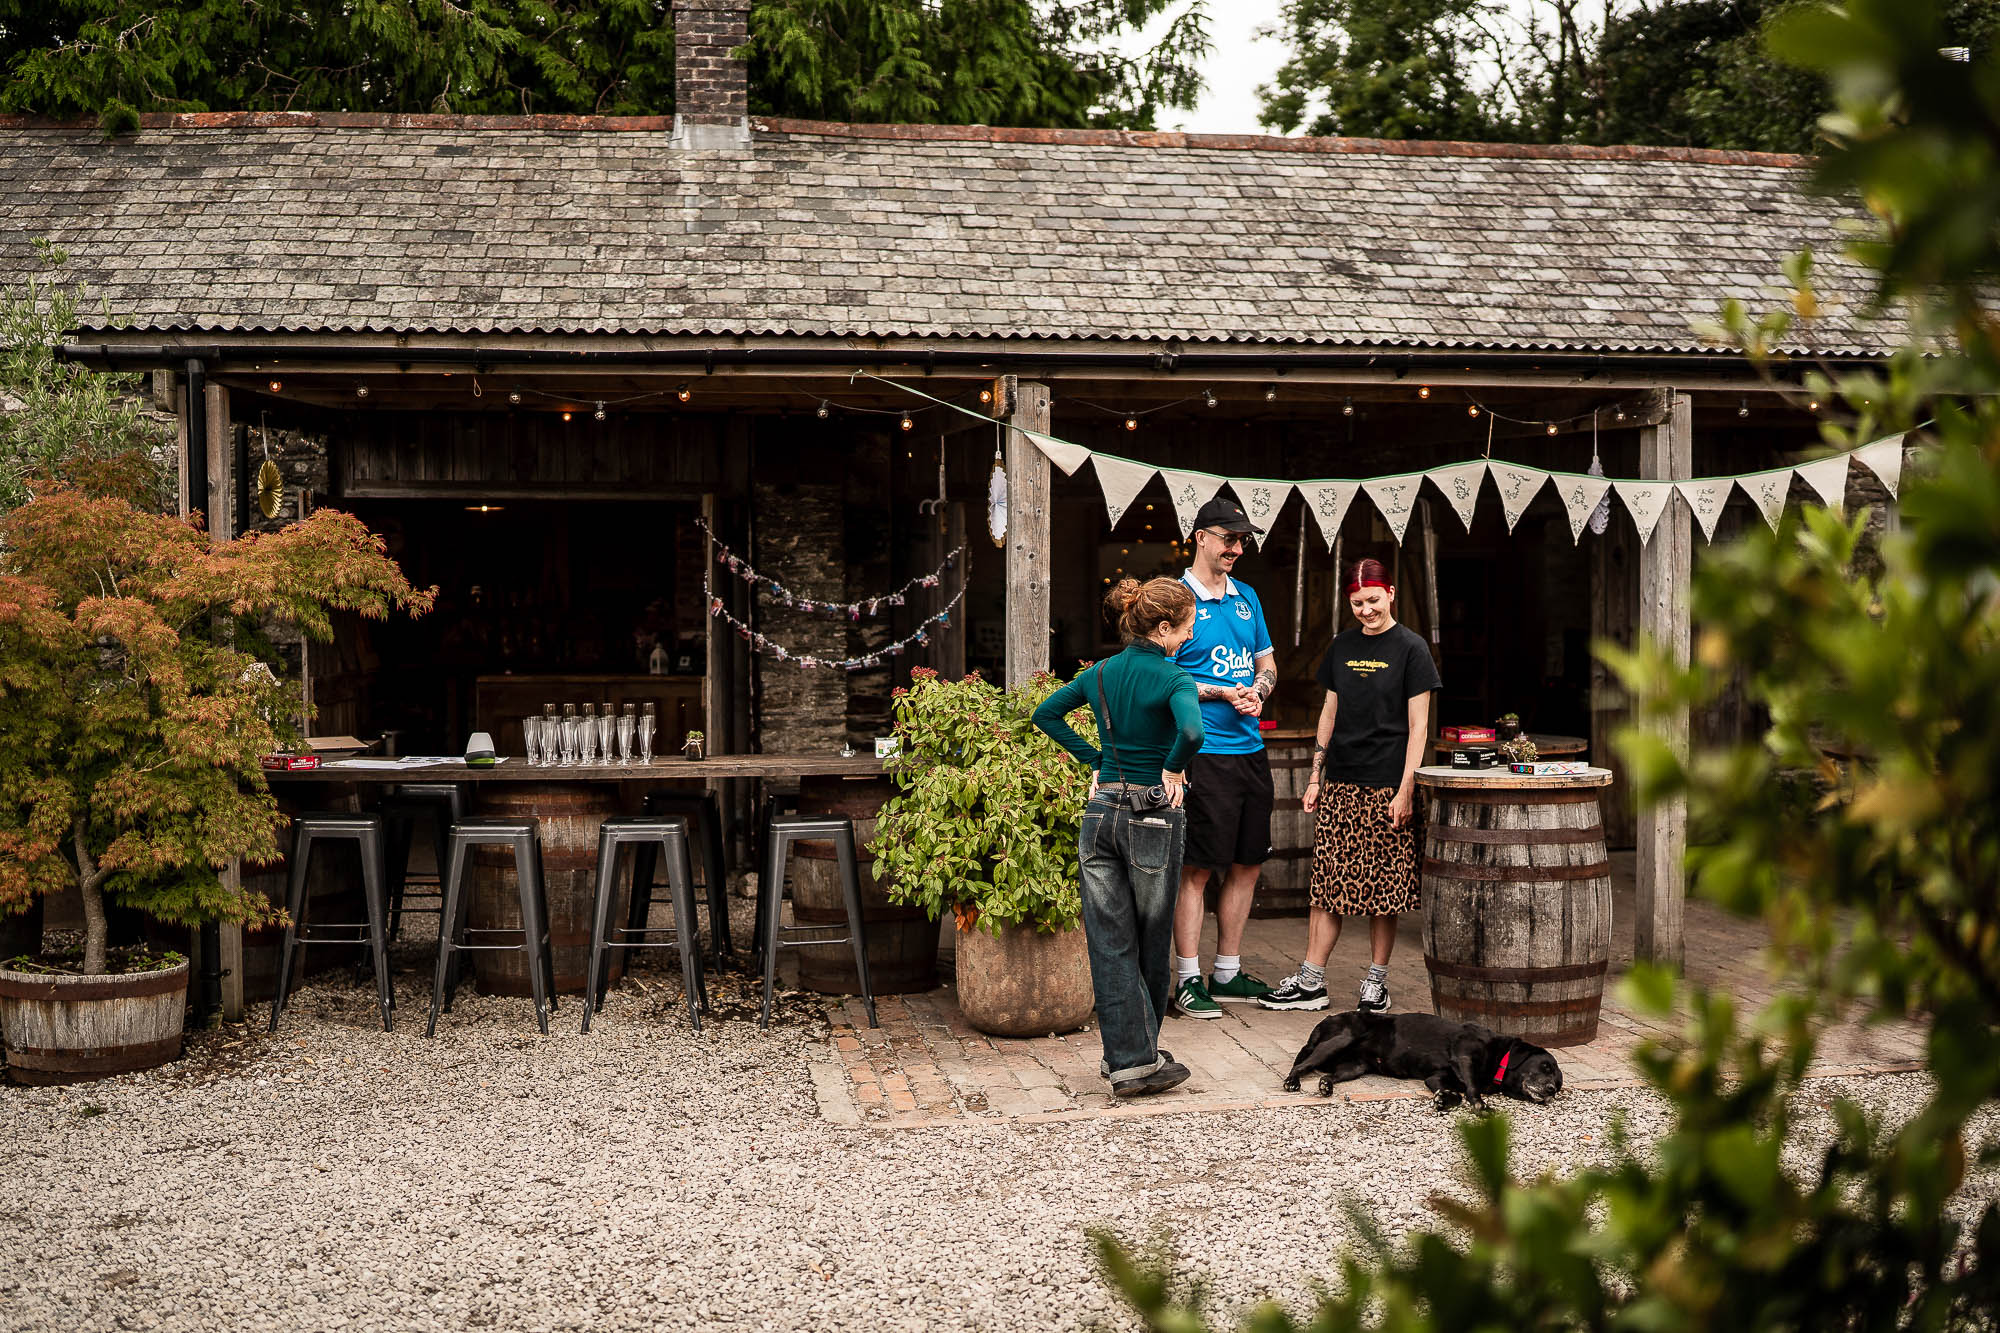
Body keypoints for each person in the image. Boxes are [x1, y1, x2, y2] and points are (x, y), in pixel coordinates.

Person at [1033, 577, 1204, 1098]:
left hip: (1100, 810)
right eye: (1189, 625)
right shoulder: (1175, 678)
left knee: (1109, 942)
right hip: (1153, 811)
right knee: (1152, 938)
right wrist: (1173, 770)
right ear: (1164, 626)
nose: (1190, 634)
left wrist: (1097, 760)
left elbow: (1046, 715)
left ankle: (1128, 1058)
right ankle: (1139, 1059)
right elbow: (1193, 734)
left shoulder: (1100, 673)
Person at [1259, 557, 1440, 1013]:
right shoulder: (1341, 646)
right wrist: (1316, 776)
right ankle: (1310, 981)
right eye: (1357, 603)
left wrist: (1406, 790)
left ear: (1392, 593)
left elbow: (1419, 729)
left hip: (1387, 785)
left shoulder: (1412, 648)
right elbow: (1329, 712)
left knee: (1385, 890)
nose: (1366, 610)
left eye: (1373, 600)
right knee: (1327, 886)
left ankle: (1376, 982)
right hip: (1341, 781)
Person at [1168, 496, 1278, 1020]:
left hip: (1250, 751)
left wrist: (1258, 689)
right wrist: (1220, 693)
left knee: (1247, 863)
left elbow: (1267, 664)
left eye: (1242, 540)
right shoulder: (1175, 598)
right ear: (1201, 537)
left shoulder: (1247, 597)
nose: (1238, 547)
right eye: (1229, 538)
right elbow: (1161, 676)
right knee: (1196, 870)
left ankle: (1228, 972)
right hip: (1201, 753)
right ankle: (1188, 979)